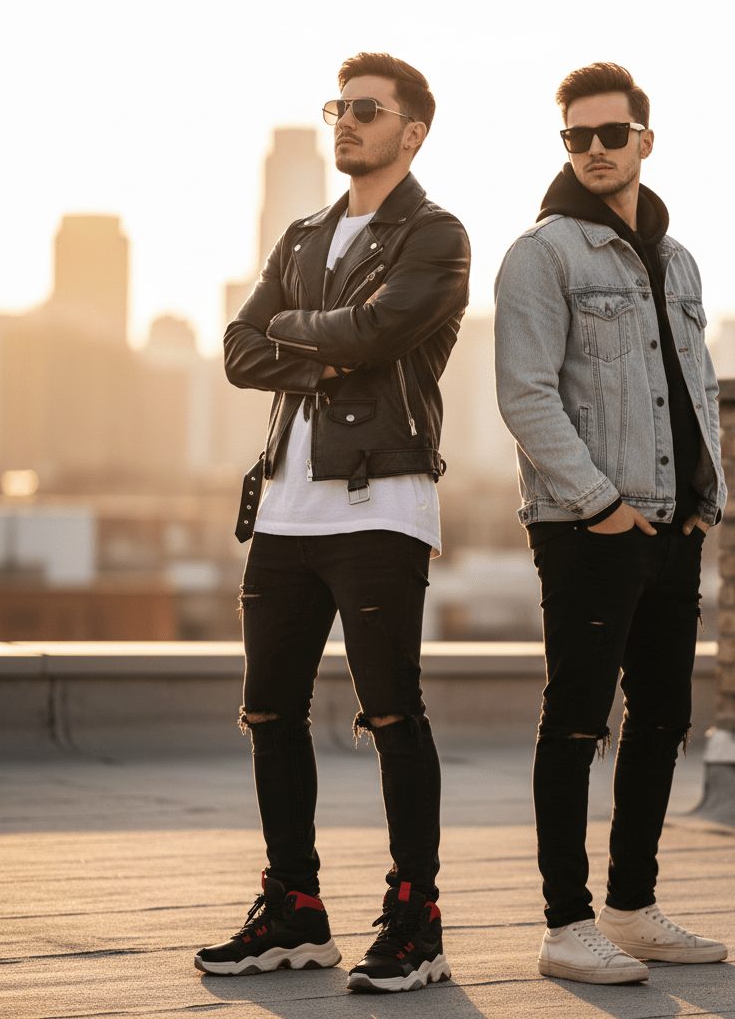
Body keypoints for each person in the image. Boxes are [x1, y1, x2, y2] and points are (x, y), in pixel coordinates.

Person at [196, 52, 470, 994]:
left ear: (413, 130)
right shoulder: (305, 234)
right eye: (339, 108)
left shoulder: (437, 235)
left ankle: (415, 918)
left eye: (367, 110)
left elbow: (380, 333)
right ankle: (295, 909)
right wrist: (322, 355)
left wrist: (302, 335)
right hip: (284, 507)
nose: (346, 123)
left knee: (393, 712)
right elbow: (238, 349)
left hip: (381, 502)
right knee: (269, 709)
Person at [494, 62, 728, 985]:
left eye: (609, 134)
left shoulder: (677, 260)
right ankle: (565, 925)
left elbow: (694, 383)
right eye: (576, 137)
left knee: (664, 717)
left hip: (675, 527)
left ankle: (632, 908)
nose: (593, 150)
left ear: (644, 140)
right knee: (577, 723)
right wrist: (602, 506)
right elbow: (524, 396)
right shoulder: (541, 254)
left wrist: (709, 499)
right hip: (589, 527)